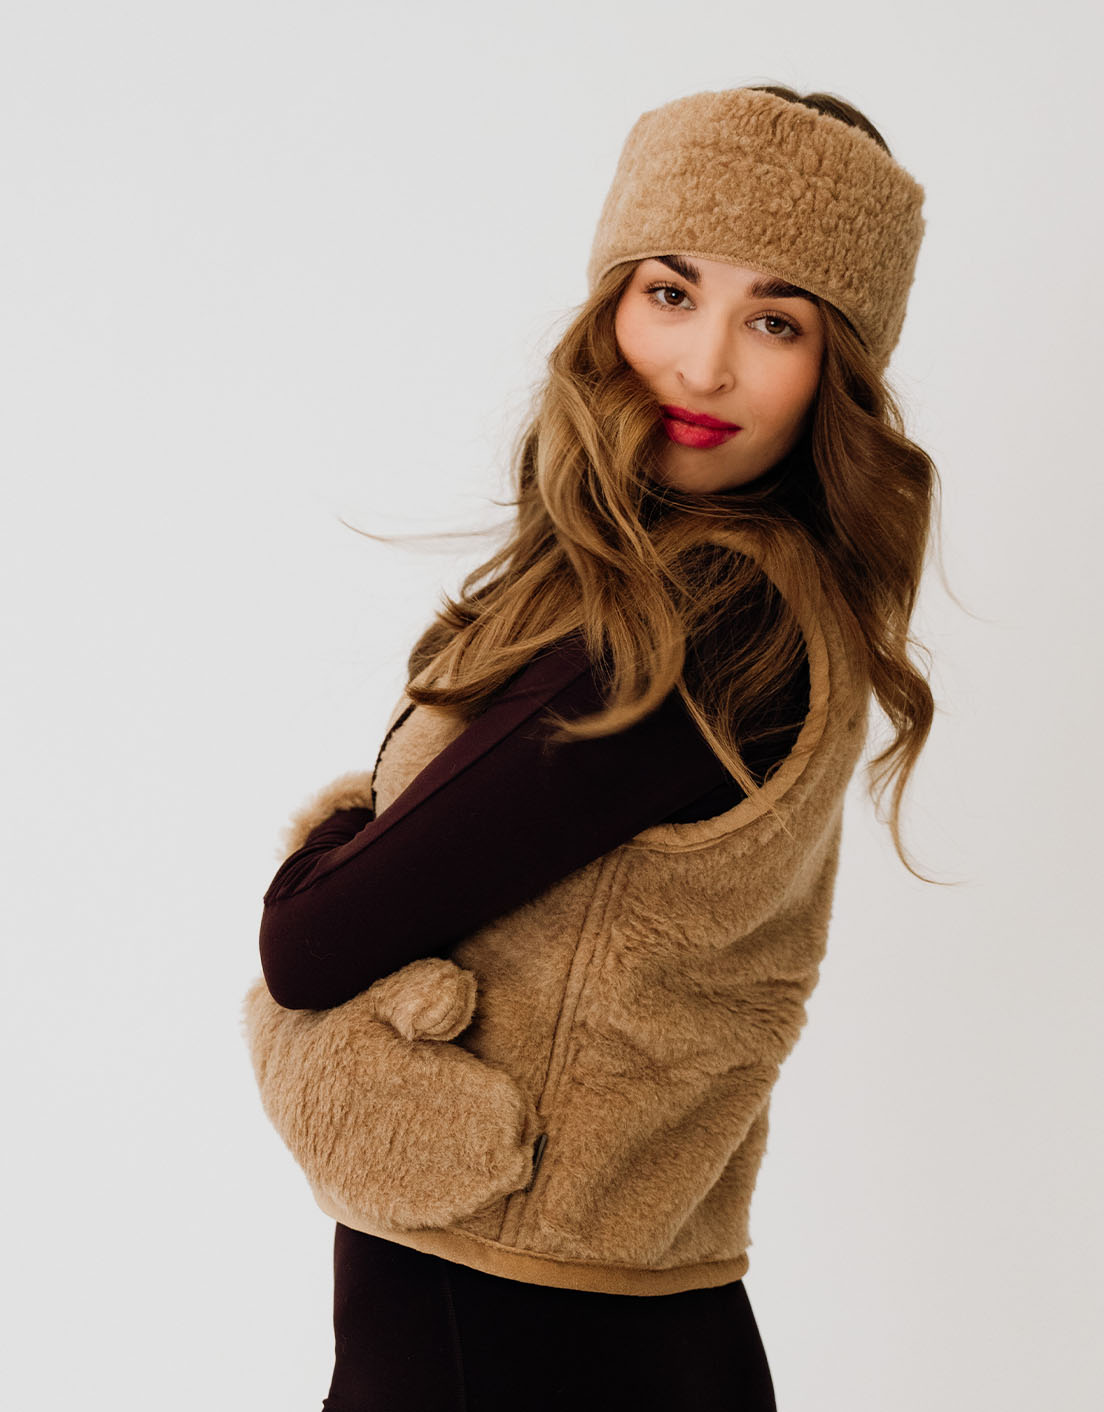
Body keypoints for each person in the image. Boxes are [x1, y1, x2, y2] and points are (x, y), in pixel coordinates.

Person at [247, 82, 937, 1412]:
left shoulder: (714, 624)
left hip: (511, 1332)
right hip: (599, 1317)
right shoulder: (647, 591)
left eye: (776, 320)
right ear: (611, 303)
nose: (705, 365)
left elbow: (311, 943)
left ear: (835, 372)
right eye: (672, 292)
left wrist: (339, 836)